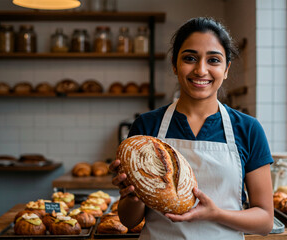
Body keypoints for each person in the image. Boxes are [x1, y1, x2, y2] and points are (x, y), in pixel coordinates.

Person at [110, 17, 274, 239]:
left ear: (226, 69)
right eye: (190, 58)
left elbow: (265, 221)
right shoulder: (147, 126)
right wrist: (132, 197)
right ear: (175, 66)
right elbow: (129, 221)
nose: (201, 70)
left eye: (214, 60)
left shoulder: (248, 128)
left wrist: (215, 214)